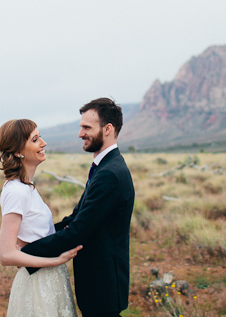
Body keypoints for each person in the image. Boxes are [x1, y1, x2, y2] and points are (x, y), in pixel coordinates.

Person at [20, 98, 135, 317]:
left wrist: (26, 253)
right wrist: (34, 237)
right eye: (81, 126)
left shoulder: (110, 174)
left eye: (86, 128)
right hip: (98, 283)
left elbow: (77, 232)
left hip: (103, 286)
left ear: (108, 129)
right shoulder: (105, 168)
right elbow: (75, 218)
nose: (80, 133)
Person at [0, 119, 82, 317]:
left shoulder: (27, 187)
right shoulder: (17, 191)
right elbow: (5, 255)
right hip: (38, 284)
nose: (43, 143)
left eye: (40, 137)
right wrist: (56, 260)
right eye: (35, 139)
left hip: (51, 278)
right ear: (18, 151)